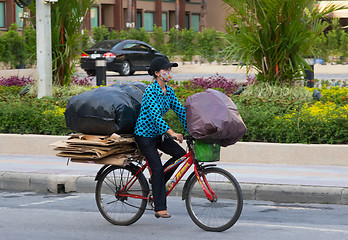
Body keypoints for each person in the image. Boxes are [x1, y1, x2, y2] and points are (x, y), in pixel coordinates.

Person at [134, 57, 187, 219]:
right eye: (166, 70)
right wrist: (172, 133)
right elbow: (155, 116)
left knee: (181, 154)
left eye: (170, 70)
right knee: (157, 169)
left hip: (158, 134)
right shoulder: (151, 91)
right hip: (144, 135)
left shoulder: (169, 91)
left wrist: (193, 129)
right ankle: (159, 207)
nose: (169, 72)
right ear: (157, 73)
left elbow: (180, 111)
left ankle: (158, 181)